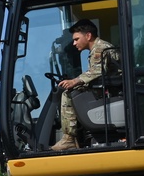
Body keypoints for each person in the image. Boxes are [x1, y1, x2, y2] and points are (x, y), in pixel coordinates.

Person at [50, 19, 116, 151]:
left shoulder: (100, 48)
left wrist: (74, 81)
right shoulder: (99, 47)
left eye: (76, 39)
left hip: (113, 89)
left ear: (88, 36)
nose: (74, 43)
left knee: (69, 94)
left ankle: (69, 138)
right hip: (109, 87)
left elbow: (97, 71)